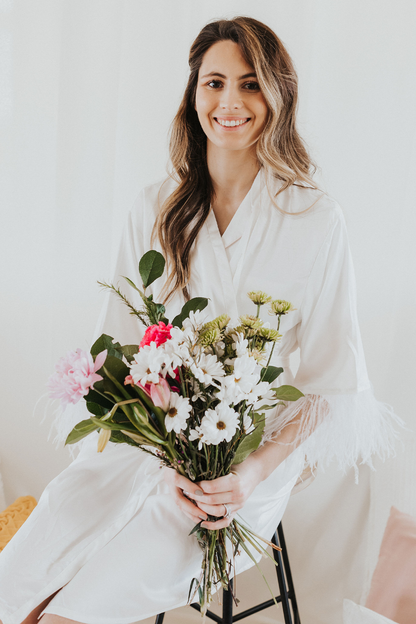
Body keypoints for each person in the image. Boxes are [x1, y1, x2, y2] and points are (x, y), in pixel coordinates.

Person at [0, 16, 400, 624]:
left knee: (78, 608)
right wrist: (157, 436)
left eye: (249, 83)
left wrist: (250, 474)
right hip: (144, 448)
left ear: (277, 94)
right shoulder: (156, 210)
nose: (230, 102)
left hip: (246, 465)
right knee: (23, 581)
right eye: (214, 83)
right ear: (193, 95)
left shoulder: (316, 219)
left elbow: (328, 383)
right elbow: (121, 355)